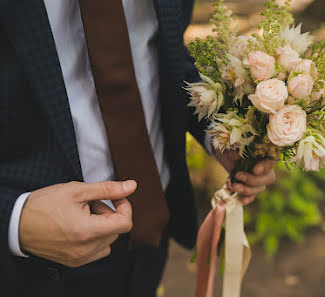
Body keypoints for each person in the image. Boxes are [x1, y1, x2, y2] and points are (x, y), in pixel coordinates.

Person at [0, 0, 277, 296]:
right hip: (31, 266)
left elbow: (165, 53)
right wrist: (13, 219)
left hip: (153, 228)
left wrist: (221, 131)